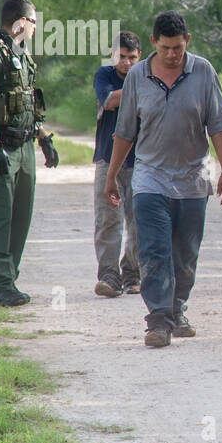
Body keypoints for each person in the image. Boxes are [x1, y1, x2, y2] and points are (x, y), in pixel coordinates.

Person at [103, 11, 222, 347]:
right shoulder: (136, 76)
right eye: (166, 48)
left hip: (193, 179)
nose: (173, 54)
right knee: (154, 250)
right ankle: (158, 320)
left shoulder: (203, 71)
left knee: (186, 254)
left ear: (187, 41)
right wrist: (112, 175)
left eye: (178, 47)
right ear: (153, 43)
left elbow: (218, 124)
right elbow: (125, 132)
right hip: (149, 178)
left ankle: (177, 309)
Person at [0, 0, 59, 306]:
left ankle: (10, 280)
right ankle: (1, 284)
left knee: (21, 218)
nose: (35, 29)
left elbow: (28, 100)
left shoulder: (21, 54)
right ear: (22, 22)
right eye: (34, 23)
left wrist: (44, 138)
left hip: (25, 146)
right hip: (0, 147)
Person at [93, 31, 142, 297]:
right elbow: (109, 100)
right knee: (108, 219)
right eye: (121, 57)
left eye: (132, 58)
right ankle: (109, 275)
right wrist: (138, 88)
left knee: (139, 220)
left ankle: (133, 273)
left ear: (140, 57)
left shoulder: (148, 75)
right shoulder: (104, 75)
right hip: (107, 157)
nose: (126, 63)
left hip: (141, 160)